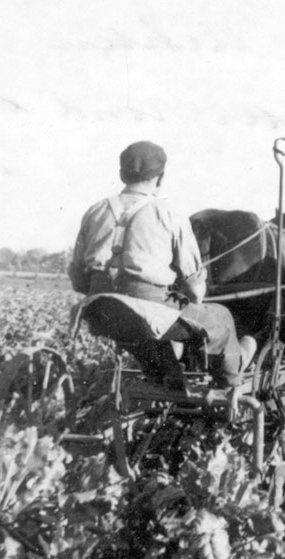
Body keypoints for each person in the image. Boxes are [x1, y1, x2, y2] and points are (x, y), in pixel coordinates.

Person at [70, 140, 255, 388]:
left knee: (141, 323)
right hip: (148, 309)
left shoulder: (95, 211)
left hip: (99, 311)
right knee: (220, 317)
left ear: (122, 173)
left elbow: (78, 278)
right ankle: (233, 376)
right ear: (161, 177)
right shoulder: (168, 213)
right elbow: (196, 291)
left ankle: (167, 374)